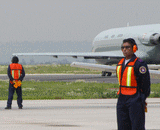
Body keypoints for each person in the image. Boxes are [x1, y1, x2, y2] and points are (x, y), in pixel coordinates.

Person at [116, 38, 150, 130]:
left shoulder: (140, 64)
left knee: (137, 126)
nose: (124, 49)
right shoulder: (120, 63)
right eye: (122, 47)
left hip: (135, 99)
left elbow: (145, 83)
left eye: (127, 47)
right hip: (122, 99)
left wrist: (141, 98)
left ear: (134, 48)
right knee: (122, 126)